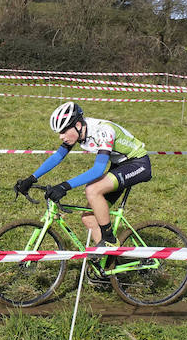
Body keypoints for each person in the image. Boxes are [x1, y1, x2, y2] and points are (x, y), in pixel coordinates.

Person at [15, 101, 151, 252]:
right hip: (119, 165)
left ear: (78, 126)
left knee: (92, 190)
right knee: (89, 217)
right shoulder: (79, 132)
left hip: (138, 164)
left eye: (63, 131)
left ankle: (110, 240)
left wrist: (64, 186)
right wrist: (31, 178)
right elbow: (58, 156)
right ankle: (109, 262)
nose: (61, 137)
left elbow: (98, 170)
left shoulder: (103, 132)